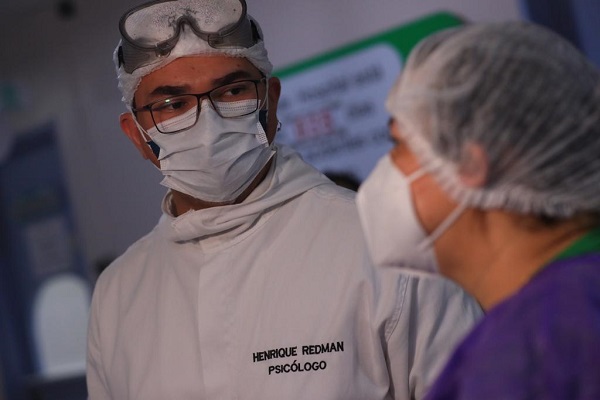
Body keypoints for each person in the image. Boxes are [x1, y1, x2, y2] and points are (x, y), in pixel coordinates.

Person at [86, 1, 482, 398]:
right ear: (137, 135)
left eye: (233, 90)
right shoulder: (118, 295)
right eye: (172, 104)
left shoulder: (386, 246)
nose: (208, 122)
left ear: (270, 103)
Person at [356, 21, 600, 399]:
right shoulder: (573, 302)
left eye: (399, 145)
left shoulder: (529, 351)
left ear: (471, 164)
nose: (385, 167)